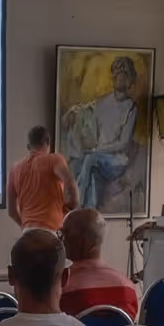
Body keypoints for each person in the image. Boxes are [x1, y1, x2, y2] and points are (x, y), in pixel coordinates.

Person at [65, 54, 141, 212]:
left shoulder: (131, 108)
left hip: (117, 161)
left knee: (90, 159)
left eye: (124, 73)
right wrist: (72, 113)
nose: (118, 77)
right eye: (117, 73)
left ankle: (75, 205)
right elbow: (83, 112)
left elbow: (123, 143)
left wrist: (97, 151)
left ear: (130, 79)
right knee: (88, 170)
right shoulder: (102, 102)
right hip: (98, 158)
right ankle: (88, 214)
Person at [58, 207, 138, 318]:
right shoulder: (127, 286)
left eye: (63, 234)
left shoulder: (61, 288)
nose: (60, 240)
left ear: (82, 242)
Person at [7, 125, 77, 232]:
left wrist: (26, 227)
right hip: (51, 231)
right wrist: (71, 205)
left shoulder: (15, 169)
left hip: (27, 233)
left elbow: (11, 211)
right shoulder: (54, 160)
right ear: (48, 142)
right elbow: (70, 182)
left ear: (28, 146)